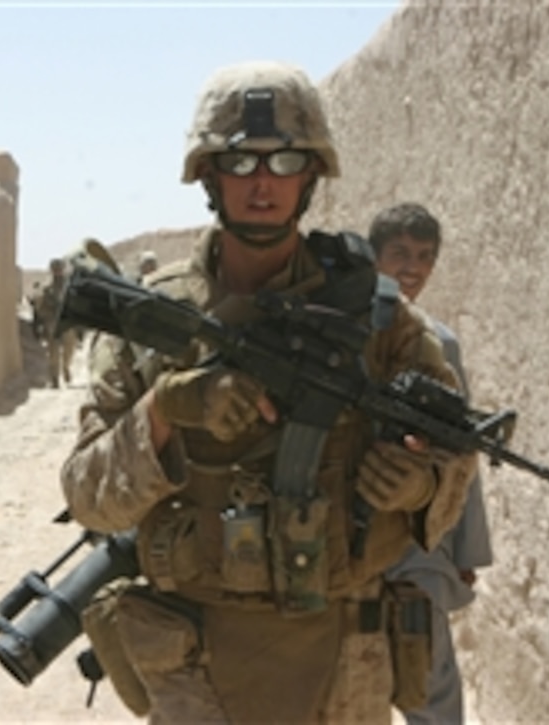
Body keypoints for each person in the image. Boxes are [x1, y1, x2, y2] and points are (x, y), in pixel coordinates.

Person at [60, 61, 478, 723]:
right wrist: (166, 411)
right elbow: (88, 495)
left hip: (347, 657)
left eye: (284, 162)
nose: (263, 183)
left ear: (311, 176)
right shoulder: (151, 322)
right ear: (208, 174)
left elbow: (456, 463)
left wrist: (419, 484)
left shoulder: (381, 319)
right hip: (195, 663)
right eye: (241, 162)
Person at [372, 203, 495, 725]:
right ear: (373, 258)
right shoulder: (342, 333)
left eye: (424, 256)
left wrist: (464, 547)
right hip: (344, 535)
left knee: (430, 682)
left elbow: (461, 453)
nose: (412, 267)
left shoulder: (440, 343)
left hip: (417, 541)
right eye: (399, 253)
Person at [32, 257, 78, 388]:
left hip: (68, 322)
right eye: (55, 270)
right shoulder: (46, 288)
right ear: (51, 271)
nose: (58, 272)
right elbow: (39, 308)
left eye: (59, 269)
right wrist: (39, 325)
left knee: (69, 348)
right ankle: (54, 378)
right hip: (52, 323)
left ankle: (66, 367)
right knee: (53, 352)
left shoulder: (70, 286)